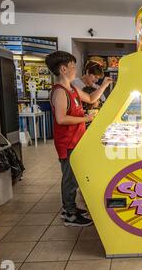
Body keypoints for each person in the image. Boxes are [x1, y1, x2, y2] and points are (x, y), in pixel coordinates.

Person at [45, 51, 112, 226]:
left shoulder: (72, 89)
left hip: (76, 140)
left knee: (74, 176)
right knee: (70, 178)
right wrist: (86, 118)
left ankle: (71, 207)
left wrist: (104, 86)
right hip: (67, 142)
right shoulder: (60, 92)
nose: (75, 70)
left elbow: (90, 98)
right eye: (73, 66)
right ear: (63, 69)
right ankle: (69, 213)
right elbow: (61, 119)